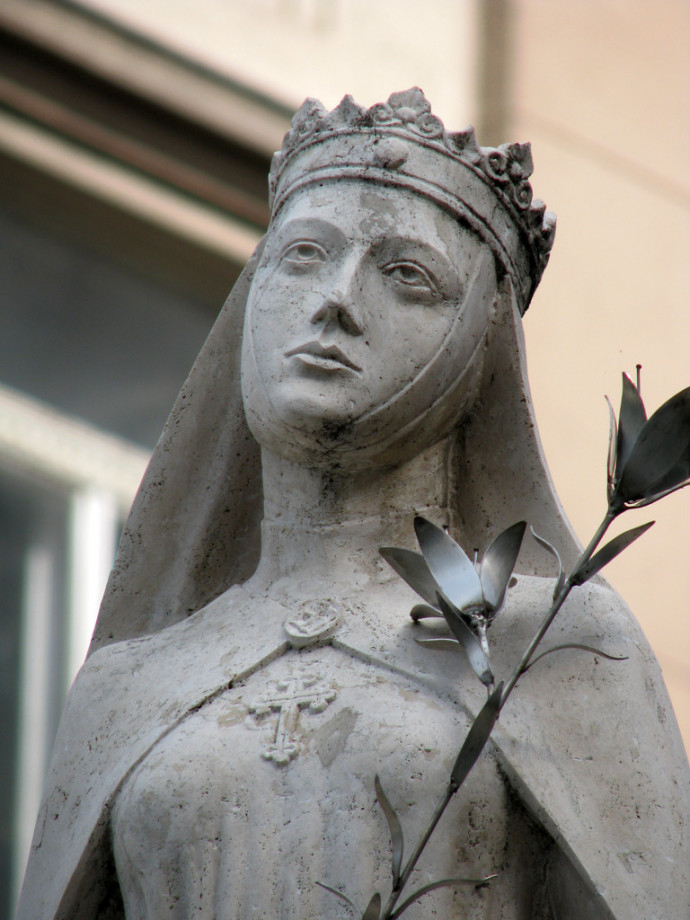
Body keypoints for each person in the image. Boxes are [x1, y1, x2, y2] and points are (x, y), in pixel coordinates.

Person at [17, 89, 688, 919]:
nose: (335, 298)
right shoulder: (123, 688)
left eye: (407, 275)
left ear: (480, 340)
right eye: (304, 254)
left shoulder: (551, 640)